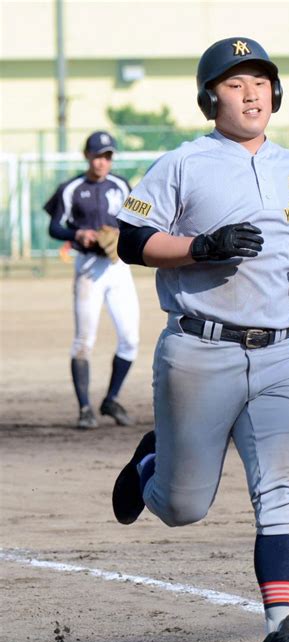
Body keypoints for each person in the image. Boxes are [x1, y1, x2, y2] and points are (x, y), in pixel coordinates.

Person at [112, 37, 289, 642]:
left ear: (277, 93)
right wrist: (200, 246)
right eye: (236, 84)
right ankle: (150, 460)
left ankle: (281, 625)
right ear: (212, 97)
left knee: (285, 488)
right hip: (198, 350)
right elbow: (131, 240)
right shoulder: (182, 163)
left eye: (261, 82)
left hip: (282, 353)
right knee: (183, 506)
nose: (252, 94)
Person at [44, 131, 140, 429]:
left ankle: (111, 399)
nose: (102, 162)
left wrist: (123, 235)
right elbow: (54, 227)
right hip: (88, 269)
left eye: (108, 156)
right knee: (84, 341)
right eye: (98, 155)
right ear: (87, 156)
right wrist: (78, 234)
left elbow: (136, 221)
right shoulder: (72, 187)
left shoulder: (122, 185)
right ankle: (85, 408)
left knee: (131, 339)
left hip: (118, 266)